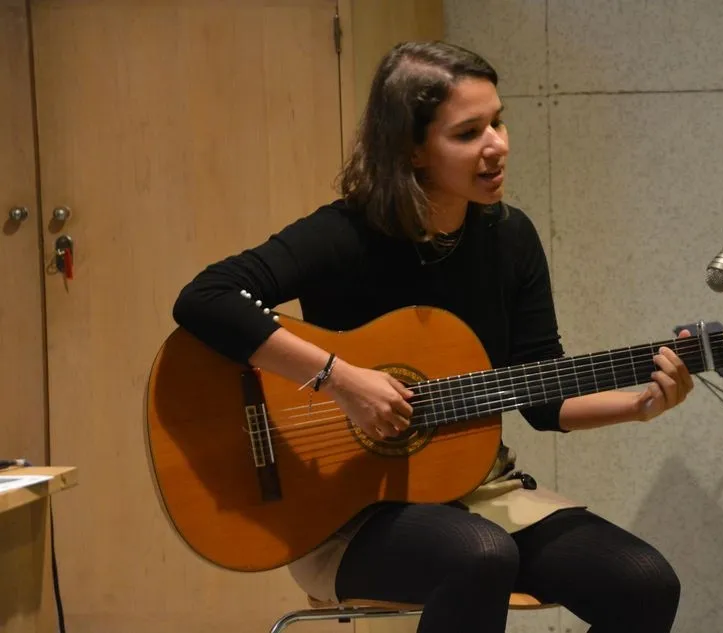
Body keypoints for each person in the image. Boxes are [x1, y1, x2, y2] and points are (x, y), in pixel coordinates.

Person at [173, 40, 694, 633]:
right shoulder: (344, 235)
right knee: (480, 555)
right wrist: (341, 380)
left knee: (643, 582)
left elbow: (543, 399)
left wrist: (640, 406)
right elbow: (206, 298)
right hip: (345, 513)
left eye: (497, 122)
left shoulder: (510, 239)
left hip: (476, 491)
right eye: (468, 133)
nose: (496, 144)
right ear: (412, 149)